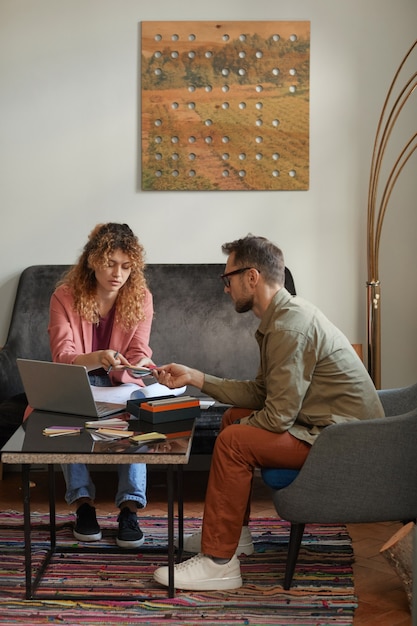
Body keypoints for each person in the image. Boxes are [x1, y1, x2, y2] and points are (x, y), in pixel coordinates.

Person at [152, 234, 385, 591]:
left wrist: (241, 431)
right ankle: (235, 537)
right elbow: (262, 394)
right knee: (233, 420)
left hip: (344, 445)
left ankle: (219, 565)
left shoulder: (290, 326)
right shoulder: (283, 317)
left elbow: (277, 417)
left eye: (227, 278)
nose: (225, 288)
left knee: (233, 440)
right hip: (329, 431)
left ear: (252, 276)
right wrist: (197, 377)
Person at [48, 222, 155, 548]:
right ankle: (83, 506)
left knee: (143, 418)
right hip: (78, 381)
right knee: (62, 423)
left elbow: (138, 351)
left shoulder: (141, 297)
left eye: (126, 266)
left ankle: (129, 508)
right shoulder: (64, 297)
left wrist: (147, 367)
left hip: (121, 383)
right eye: (110, 263)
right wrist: (98, 356)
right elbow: (62, 356)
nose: (118, 273)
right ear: (93, 260)